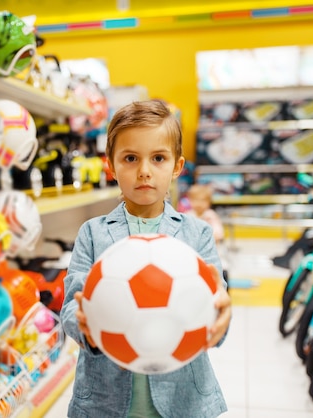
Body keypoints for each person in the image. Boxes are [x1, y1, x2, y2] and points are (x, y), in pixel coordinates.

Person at [60, 100, 231, 418]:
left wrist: (221, 311)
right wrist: (84, 324)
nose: (144, 171)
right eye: (130, 158)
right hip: (106, 402)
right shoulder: (93, 234)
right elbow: (71, 304)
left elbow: (216, 295)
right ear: (110, 166)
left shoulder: (198, 234)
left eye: (158, 158)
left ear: (177, 167)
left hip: (182, 402)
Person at [184, 183, 229, 284]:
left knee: (221, 275)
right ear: (190, 201)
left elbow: (218, 234)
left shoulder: (210, 216)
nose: (199, 204)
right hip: (194, 257)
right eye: (195, 200)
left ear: (208, 202)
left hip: (213, 256)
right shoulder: (188, 216)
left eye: (202, 200)